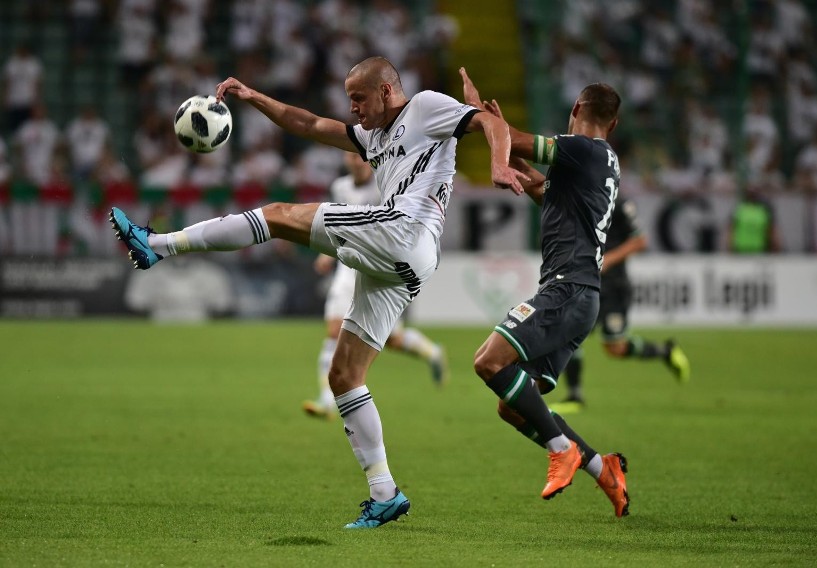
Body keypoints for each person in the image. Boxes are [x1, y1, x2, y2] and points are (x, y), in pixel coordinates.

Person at [109, 56, 527, 529]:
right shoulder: (373, 136)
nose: (353, 109)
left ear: (387, 92)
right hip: (403, 261)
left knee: (280, 215)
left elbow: (490, 121)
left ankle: (159, 245)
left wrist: (497, 163)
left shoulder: (427, 107)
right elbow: (308, 123)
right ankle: (385, 492)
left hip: (404, 230)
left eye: (359, 98)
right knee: (345, 375)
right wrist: (254, 97)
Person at [460, 67, 629, 517]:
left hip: (567, 288)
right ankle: (603, 468)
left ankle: (561, 448)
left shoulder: (581, 150)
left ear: (576, 110)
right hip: (581, 295)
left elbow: (516, 141)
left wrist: (482, 118)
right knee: (514, 406)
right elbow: (540, 187)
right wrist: (500, 136)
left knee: (488, 360)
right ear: (613, 124)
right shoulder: (601, 161)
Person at [304, 151, 449, 419]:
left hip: (377, 269)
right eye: (349, 156)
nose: (355, 160)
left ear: (370, 160)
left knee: (392, 339)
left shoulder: (385, 185)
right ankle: (326, 400)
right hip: (348, 268)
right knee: (334, 330)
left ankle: (432, 353)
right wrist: (326, 254)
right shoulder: (340, 187)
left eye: (359, 156)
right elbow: (335, 224)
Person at [551, 196, 690, 415]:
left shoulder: (621, 204)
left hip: (614, 288)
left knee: (616, 348)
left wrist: (609, 259)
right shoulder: (582, 198)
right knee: (570, 335)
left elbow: (640, 241)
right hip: (587, 282)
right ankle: (575, 396)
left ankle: (665, 351)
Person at [727, 186, 781, 253]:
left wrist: (774, 245)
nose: (752, 196)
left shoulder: (763, 210)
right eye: (750, 193)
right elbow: (731, 229)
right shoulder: (739, 209)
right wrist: (729, 246)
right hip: (741, 248)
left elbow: (771, 229)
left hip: (759, 249)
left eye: (754, 193)